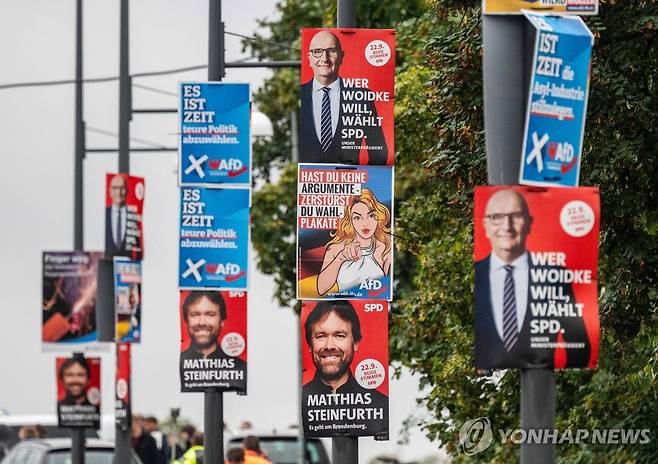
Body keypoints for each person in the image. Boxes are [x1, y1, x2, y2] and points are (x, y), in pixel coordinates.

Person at [474, 189, 591, 370]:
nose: (507, 226)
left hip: (545, 384)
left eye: (516, 216)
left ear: (529, 223)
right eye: (497, 217)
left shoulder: (555, 276)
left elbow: (579, 347)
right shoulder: (478, 275)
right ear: (486, 225)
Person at [302, 301, 388, 438]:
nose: (329, 346)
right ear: (309, 346)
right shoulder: (298, 406)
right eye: (321, 336)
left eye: (339, 335)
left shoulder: (380, 403)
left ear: (355, 343)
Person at [300, 30, 388, 164]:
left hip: (352, 182)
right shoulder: (300, 94)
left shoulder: (362, 97)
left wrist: (362, 181)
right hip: (308, 183)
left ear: (341, 56)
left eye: (331, 51)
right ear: (309, 58)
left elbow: (379, 154)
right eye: (317, 51)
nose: (324, 58)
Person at [317, 189, 391, 295]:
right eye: (357, 217)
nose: (365, 223)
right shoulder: (336, 249)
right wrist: (341, 258)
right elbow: (321, 288)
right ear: (350, 221)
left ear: (378, 216)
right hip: (343, 307)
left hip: (373, 308)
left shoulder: (385, 248)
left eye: (370, 215)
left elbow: (386, 291)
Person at [105, 174, 129, 256]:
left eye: (122, 188)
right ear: (110, 190)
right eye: (115, 188)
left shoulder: (133, 215)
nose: (119, 192)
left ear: (127, 190)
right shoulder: (104, 214)